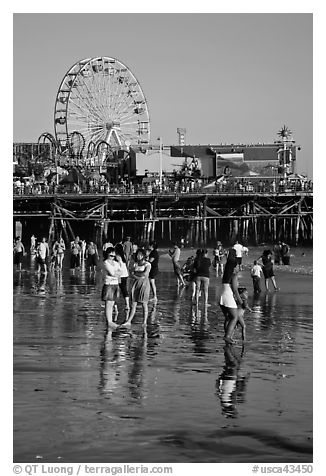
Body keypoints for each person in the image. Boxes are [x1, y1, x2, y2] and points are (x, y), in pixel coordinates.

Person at [219, 250, 246, 344]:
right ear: (234, 267)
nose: (239, 267)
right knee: (234, 317)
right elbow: (235, 290)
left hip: (222, 296)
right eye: (238, 266)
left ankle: (227, 336)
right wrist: (241, 303)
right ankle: (227, 336)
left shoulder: (226, 275)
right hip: (228, 297)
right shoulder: (234, 276)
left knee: (228, 317)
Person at [121, 248, 151, 328]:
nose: (139, 256)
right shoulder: (135, 264)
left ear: (143, 255)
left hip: (144, 284)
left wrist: (135, 274)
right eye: (138, 254)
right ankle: (129, 321)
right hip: (135, 284)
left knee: (144, 303)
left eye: (141, 254)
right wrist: (137, 275)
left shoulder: (147, 264)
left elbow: (145, 274)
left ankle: (144, 322)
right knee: (133, 303)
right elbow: (130, 273)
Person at [101, 247, 121, 329]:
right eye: (110, 255)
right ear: (107, 255)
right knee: (108, 304)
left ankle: (111, 321)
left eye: (113, 255)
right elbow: (112, 273)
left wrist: (116, 273)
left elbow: (120, 272)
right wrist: (116, 273)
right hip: (109, 284)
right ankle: (109, 321)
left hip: (115, 284)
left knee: (112, 303)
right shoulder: (105, 263)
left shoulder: (116, 263)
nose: (112, 257)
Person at [115, 243, 130, 311]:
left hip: (119, 275)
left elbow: (119, 265)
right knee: (124, 289)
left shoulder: (117, 256)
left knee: (117, 289)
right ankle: (127, 304)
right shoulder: (123, 255)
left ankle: (115, 305)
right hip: (125, 274)